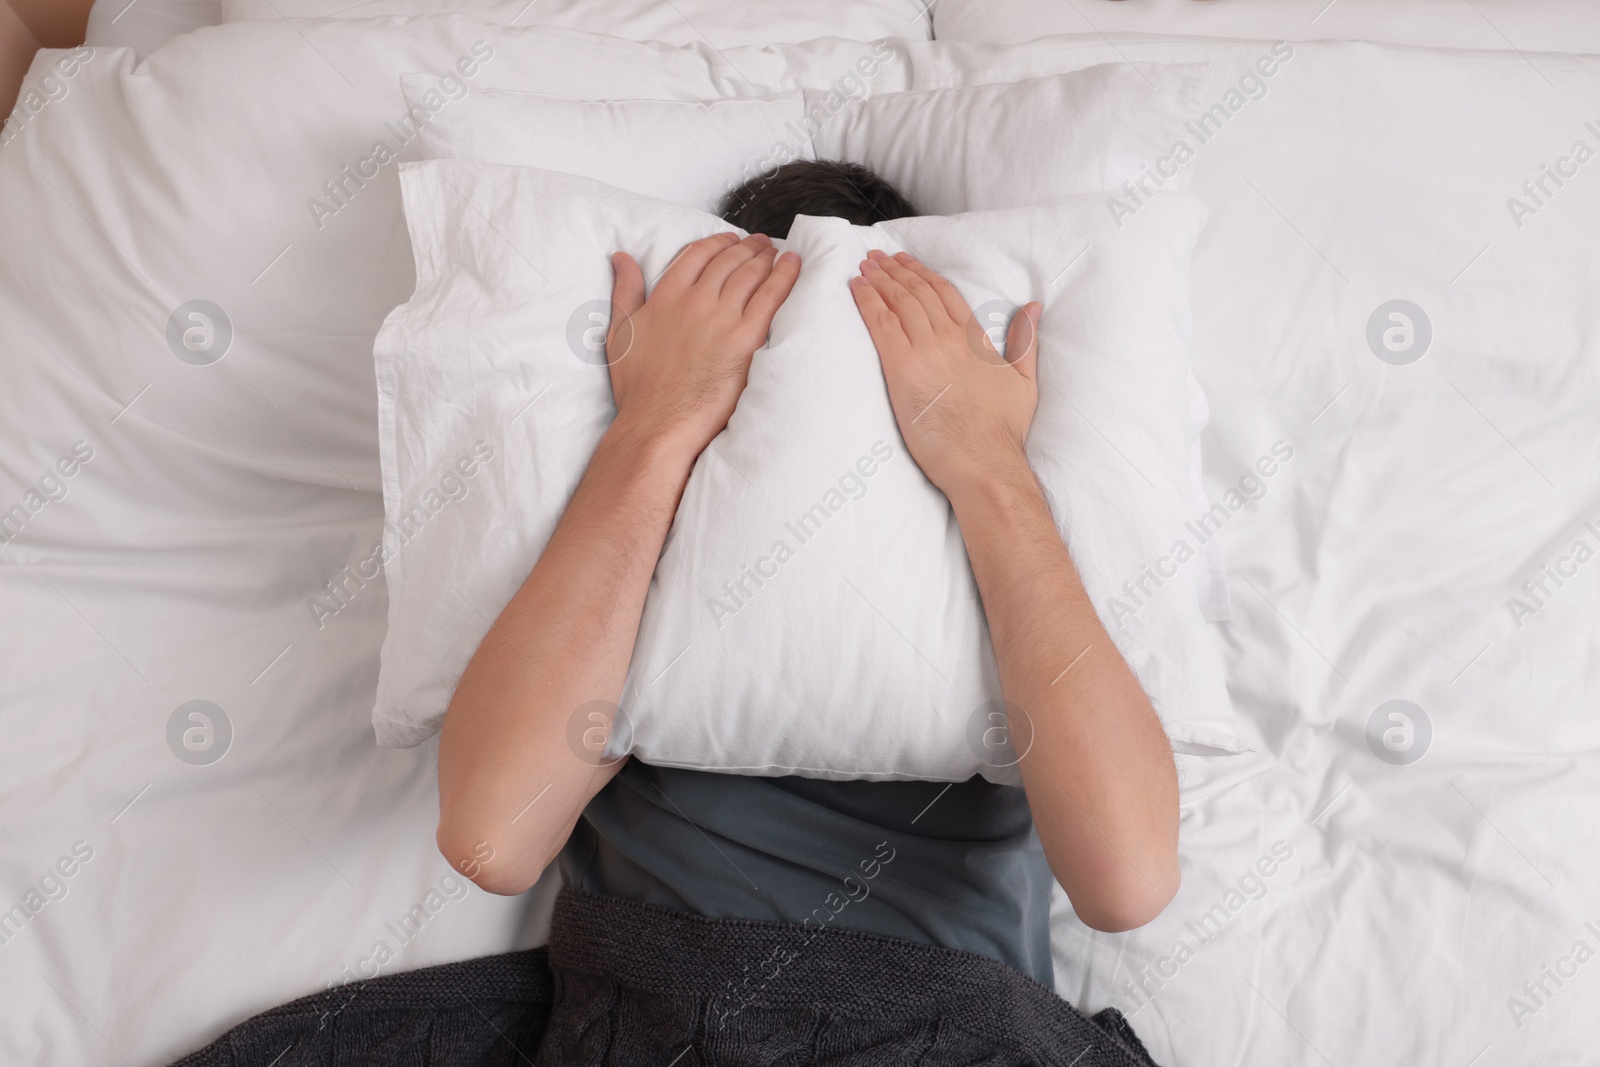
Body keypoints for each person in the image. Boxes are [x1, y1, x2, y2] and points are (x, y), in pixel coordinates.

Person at [173, 163, 1180, 1066]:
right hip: (658, 1011)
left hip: (944, 1023)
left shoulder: (989, 562)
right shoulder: (649, 542)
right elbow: (492, 834)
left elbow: (1128, 880)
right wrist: (658, 425)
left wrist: (987, 467)